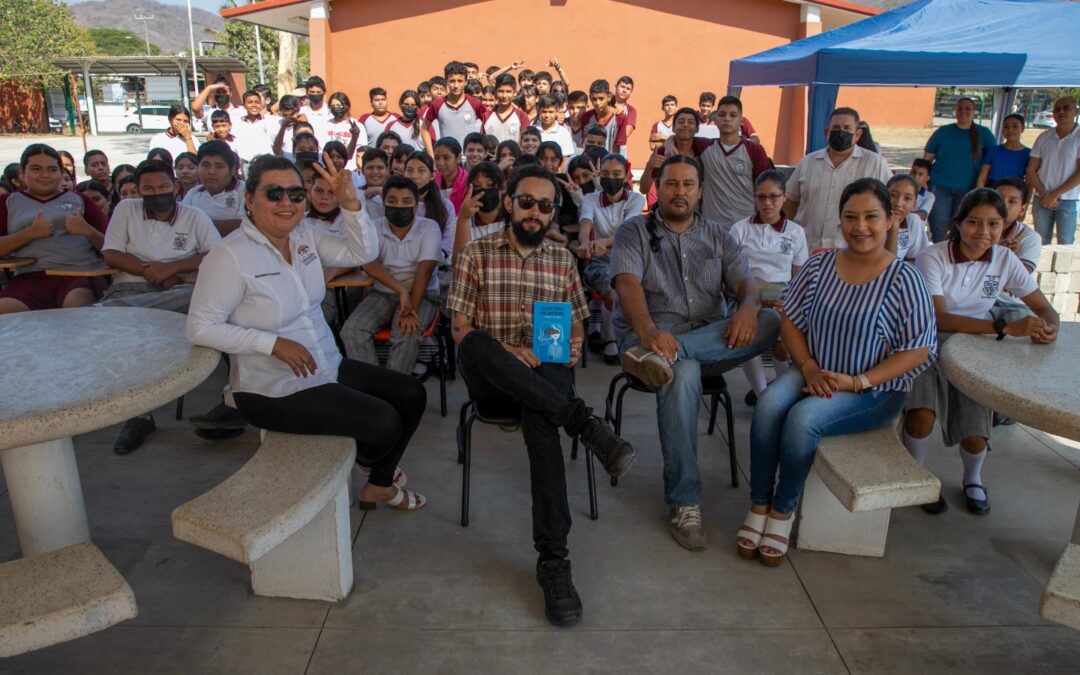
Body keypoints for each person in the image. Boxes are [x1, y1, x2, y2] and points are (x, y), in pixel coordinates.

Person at [447, 163, 638, 627]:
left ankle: (553, 561)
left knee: (542, 416)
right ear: (510, 203)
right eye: (527, 202)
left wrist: (574, 341)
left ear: (555, 212)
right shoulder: (476, 252)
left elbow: (574, 320)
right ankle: (585, 425)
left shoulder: (561, 260)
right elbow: (459, 328)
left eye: (546, 206)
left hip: (546, 383)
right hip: (493, 380)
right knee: (477, 343)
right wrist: (509, 351)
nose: (535, 212)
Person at [188, 153, 427, 510]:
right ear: (250, 200)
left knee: (411, 394)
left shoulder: (306, 236)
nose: (287, 203)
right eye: (274, 194)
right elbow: (199, 327)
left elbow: (363, 250)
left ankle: (378, 482)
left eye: (296, 194)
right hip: (272, 389)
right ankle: (375, 465)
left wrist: (351, 205)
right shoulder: (229, 256)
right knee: (383, 423)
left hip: (324, 365)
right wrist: (270, 343)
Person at [739, 178, 936, 566]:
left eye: (871, 217)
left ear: (889, 219)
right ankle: (758, 504)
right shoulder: (820, 264)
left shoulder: (904, 279)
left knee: (801, 420)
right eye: (851, 217)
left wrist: (859, 381)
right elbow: (791, 320)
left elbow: (918, 348)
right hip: (817, 371)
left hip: (872, 390)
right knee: (768, 405)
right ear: (840, 220)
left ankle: (783, 509)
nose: (860, 227)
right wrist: (808, 366)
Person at [612, 154, 780, 551]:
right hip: (648, 337)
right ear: (659, 188)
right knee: (683, 372)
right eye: (671, 184)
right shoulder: (633, 231)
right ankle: (685, 501)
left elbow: (747, 284)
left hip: (708, 337)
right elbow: (626, 284)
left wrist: (747, 308)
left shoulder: (719, 236)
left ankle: (673, 355)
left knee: (771, 320)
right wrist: (650, 332)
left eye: (688, 184)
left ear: (700, 191)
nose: (680, 192)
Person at [903, 188, 1058, 516]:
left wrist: (1048, 325)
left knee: (975, 430)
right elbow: (939, 318)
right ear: (958, 223)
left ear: (1006, 226)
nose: (983, 233)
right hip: (928, 342)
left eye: (993, 224)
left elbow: (1043, 307)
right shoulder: (934, 256)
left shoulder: (1004, 259)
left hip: (975, 347)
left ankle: (973, 478)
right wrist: (1003, 328)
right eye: (974, 222)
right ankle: (914, 478)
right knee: (922, 416)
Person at [101, 159, 221, 453]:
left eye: (164, 187)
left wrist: (172, 269)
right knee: (127, 330)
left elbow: (218, 253)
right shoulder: (126, 210)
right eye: (149, 189)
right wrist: (151, 271)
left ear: (176, 186)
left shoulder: (194, 217)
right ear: (139, 190)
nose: (157, 193)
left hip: (178, 292)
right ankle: (139, 417)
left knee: (204, 300)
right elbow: (111, 254)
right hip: (131, 288)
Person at [342, 175, 441, 374]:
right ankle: (375, 388)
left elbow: (425, 270)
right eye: (392, 201)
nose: (399, 206)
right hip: (382, 294)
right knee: (352, 330)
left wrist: (410, 306)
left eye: (406, 202)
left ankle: (395, 390)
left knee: (406, 332)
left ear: (415, 206)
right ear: (384, 203)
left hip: (421, 295)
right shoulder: (375, 226)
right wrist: (400, 292)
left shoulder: (428, 227)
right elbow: (369, 264)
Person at [728, 170, 809, 404]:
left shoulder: (795, 232)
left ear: (784, 197)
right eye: (761, 197)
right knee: (747, 340)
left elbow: (799, 275)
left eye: (774, 196)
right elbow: (730, 273)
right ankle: (762, 395)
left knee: (782, 343)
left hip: (784, 294)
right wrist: (752, 299)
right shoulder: (740, 229)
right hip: (748, 294)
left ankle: (783, 394)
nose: (767, 203)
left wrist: (791, 303)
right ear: (754, 198)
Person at [0, 144, 109, 314]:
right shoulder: (7, 203)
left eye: (52, 169)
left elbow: (113, 248)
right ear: (22, 172)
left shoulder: (80, 200)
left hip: (80, 275)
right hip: (29, 277)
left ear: (61, 172)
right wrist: (29, 233)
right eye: (36, 169)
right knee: (5, 311)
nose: (45, 175)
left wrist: (86, 230)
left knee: (76, 307)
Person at [785, 107, 893, 249]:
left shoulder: (875, 163)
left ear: (857, 134)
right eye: (836, 128)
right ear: (826, 133)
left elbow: (890, 203)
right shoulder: (808, 162)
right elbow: (791, 200)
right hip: (806, 247)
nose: (841, 132)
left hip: (852, 250)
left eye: (847, 128)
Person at [576, 153, 645, 365]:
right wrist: (585, 243)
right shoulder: (590, 199)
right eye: (605, 174)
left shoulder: (636, 199)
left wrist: (602, 243)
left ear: (626, 177)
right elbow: (585, 225)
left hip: (628, 258)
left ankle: (623, 336)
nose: (610, 178)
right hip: (598, 260)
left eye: (616, 174)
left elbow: (627, 234)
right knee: (611, 292)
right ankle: (611, 340)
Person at [922, 97, 997, 242]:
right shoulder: (943, 132)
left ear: (974, 112)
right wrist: (923, 181)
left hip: (968, 190)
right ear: (955, 111)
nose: (964, 111)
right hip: (940, 188)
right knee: (939, 229)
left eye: (968, 108)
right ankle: (939, 260)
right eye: (960, 108)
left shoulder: (985, 134)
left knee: (962, 230)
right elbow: (926, 159)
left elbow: (991, 162)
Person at [1026, 96, 1080, 245]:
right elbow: (1031, 170)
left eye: (1066, 108)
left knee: (1066, 243)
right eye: (1057, 109)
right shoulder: (1044, 136)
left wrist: (1055, 194)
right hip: (1041, 199)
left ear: (1076, 111)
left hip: (1068, 200)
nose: (1061, 112)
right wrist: (1045, 194)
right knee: (1040, 243)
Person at [422, 61, 487, 155]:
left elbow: (488, 124)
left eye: (460, 81)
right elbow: (424, 129)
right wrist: (432, 155)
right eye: (452, 81)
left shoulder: (475, 104)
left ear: (466, 82)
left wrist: (481, 149)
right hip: (446, 160)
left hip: (469, 160)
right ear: (446, 81)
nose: (456, 86)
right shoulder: (437, 105)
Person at [182, 141, 245, 234]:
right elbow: (182, 222)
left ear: (232, 170)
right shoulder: (193, 193)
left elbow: (244, 226)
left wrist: (196, 224)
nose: (211, 171)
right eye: (205, 165)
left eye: (219, 166)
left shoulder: (244, 190)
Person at [451, 160, 506, 263]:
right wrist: (463, 219)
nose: (483, 191)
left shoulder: (512, 219)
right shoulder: (461, 221)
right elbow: (459, 264)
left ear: (501, 188)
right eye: (477, 186)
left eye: (489, 185)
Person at [404, 151, 455, 258]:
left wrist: (429, 259)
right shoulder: (397, 204)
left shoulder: (445, 206)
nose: (414, 176)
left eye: (421, 171)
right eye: (409, 170)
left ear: (432, 175)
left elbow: (448, 241)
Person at [881, 174, 931, 262]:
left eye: (907, 198)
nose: (898, 204)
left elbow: (914, 259)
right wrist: (894, 227)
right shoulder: (871, 222)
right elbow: (886, 266)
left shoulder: (912, 221)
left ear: (914, 205)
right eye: (893, 195)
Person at [976, 113, 1029, 187]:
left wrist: (1026, 198)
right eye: (1006, 127)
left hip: (1015, 191)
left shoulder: (1028, 154)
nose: (1010, 130)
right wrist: (980, 195)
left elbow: (1029, 182)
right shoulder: (993, 151)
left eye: (1015, 126)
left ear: (1022, 128)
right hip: (992, 190)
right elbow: (982, 177)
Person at [579, 80, 627, 153]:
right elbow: (585, 143)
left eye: (601, 99)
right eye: (594, 99)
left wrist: (612, 162)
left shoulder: (620, 118)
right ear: (590, 98)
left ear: (609, 97)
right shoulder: (587, 117)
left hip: (610, 161)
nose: (597, 103)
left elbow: (618, 146)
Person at [323, 92, 367, 169]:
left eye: (339, 105)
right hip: (329, 168)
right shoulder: (326, 124)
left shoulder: (357, 125)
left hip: (351, 169)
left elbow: (361, 150)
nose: (336, 108)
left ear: (346, 106)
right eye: (333, 106)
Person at [482, 74, 530, 144]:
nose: (504, 96)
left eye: (508, 91)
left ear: (515, 93)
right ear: (495, 92)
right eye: (501, 91)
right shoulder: (487, 116)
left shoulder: (522, 116)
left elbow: (525, 142)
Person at [433, 138, 469, 211]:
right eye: (436, 158)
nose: (440, 163)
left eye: (446, 158)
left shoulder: (468, 183)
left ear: (458, 158)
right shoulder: (432, 180)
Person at [535, 94, 575, 160]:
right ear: (539, 111)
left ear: (557, 112)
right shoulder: (533, 130)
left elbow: (566, 157)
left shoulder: (563, 132)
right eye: (544, 112)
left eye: (551, 112)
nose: (547, 115)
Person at [612, 76, 638, 153]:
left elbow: (626, 133)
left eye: (628, 89)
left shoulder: (631, 111)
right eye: (622, 87)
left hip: (619, 152)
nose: (624, 91)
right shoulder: (605, 105)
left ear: (631, 92)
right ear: (616, 87)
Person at [910, 157, 935, 222]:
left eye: (920, 174)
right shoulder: (901, 190)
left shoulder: (929, 196)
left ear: (927, 178)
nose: (916, 177)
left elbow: (922, 214)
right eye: (914, 172)